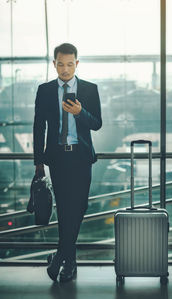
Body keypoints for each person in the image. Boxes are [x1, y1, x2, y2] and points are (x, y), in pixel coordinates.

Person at [33, 43, 102, 283]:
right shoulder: (45, 90)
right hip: (58, 158)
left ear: (77, 64)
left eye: (70, 64)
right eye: (60, 64)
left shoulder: (90, 90)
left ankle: (60, 257)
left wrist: (80, 112)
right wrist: (38, 162)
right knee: (64, 211)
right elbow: (38, 127)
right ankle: (69, 264)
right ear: (54, 64)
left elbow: (97, 124)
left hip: (82, 157)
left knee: (79, 207)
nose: (65, 69)